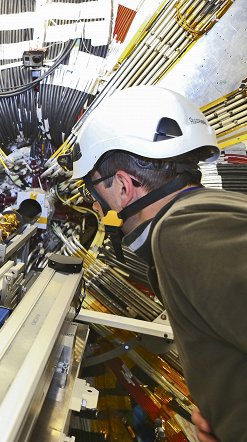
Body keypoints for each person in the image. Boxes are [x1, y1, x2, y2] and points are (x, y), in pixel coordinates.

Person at [70, 85, 247, 441]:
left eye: (93, 192)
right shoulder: (198, 218)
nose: (94, 206)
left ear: (122, 186)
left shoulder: (187, 229)